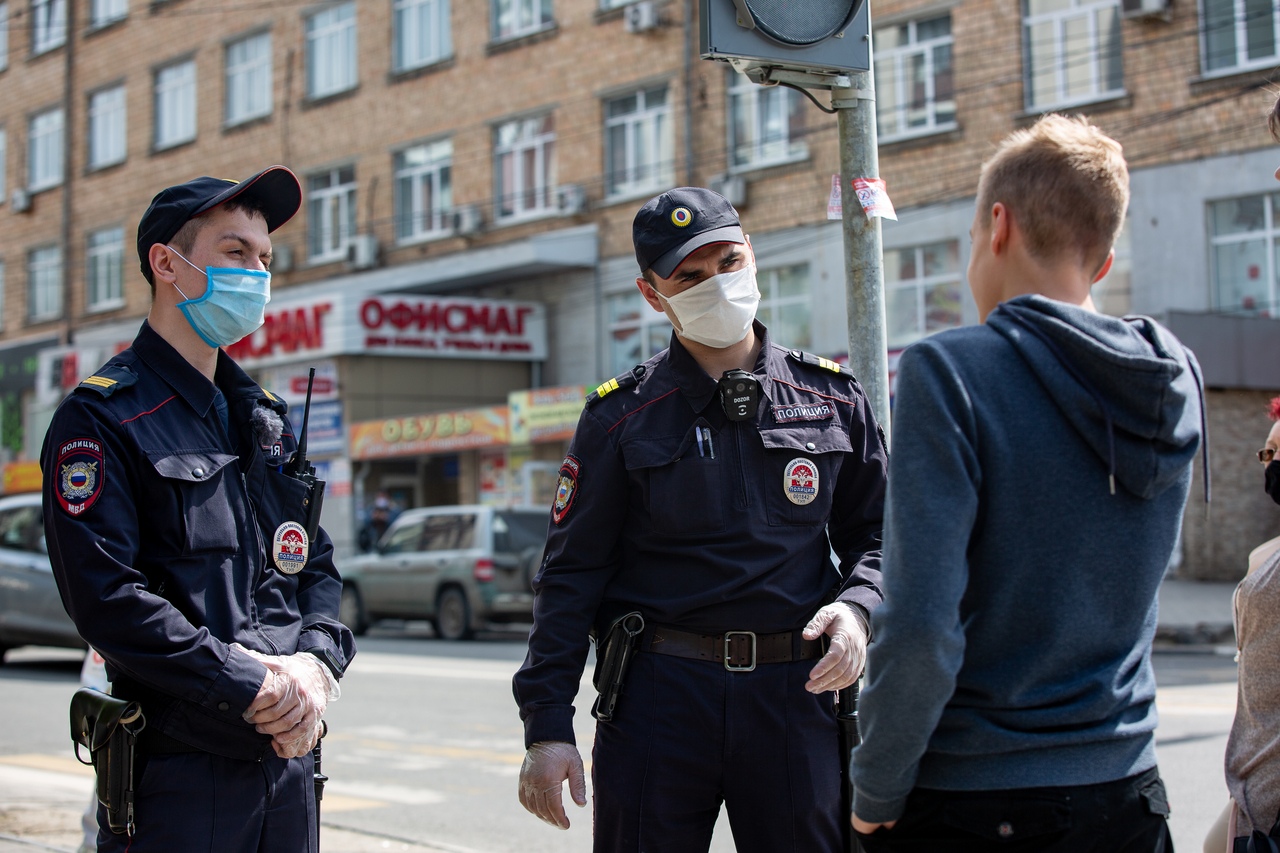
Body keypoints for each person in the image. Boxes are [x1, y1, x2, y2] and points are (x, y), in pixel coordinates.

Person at [850, 115, 1204, 852]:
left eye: (971, 240)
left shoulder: (948, 370)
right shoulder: (1174, 373)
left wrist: (876, 785)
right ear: (1102, 263)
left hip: (977, 800)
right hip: (1130, 796)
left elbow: (918, 626)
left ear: (998, 226)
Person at [512, 187, 887, 852]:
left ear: (754, 259)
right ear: (653, 294)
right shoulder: (618, 417)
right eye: (689, 274)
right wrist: (547, 727)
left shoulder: (830, 398)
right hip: (660, 698)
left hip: (793, 694)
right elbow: (570, 578)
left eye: (729, 261)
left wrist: (858, 606)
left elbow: (881, 536)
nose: (716, 283)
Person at [41, 166, 356, 853]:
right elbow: (107, 597)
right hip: (179, 779)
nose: (258, 273)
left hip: (289, 769)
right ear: (168, 264)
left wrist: (315, 664)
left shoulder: (264, 421)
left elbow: (317, 565)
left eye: (265, 258)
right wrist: (246, 682)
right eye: (236, 252)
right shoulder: (101, 417)